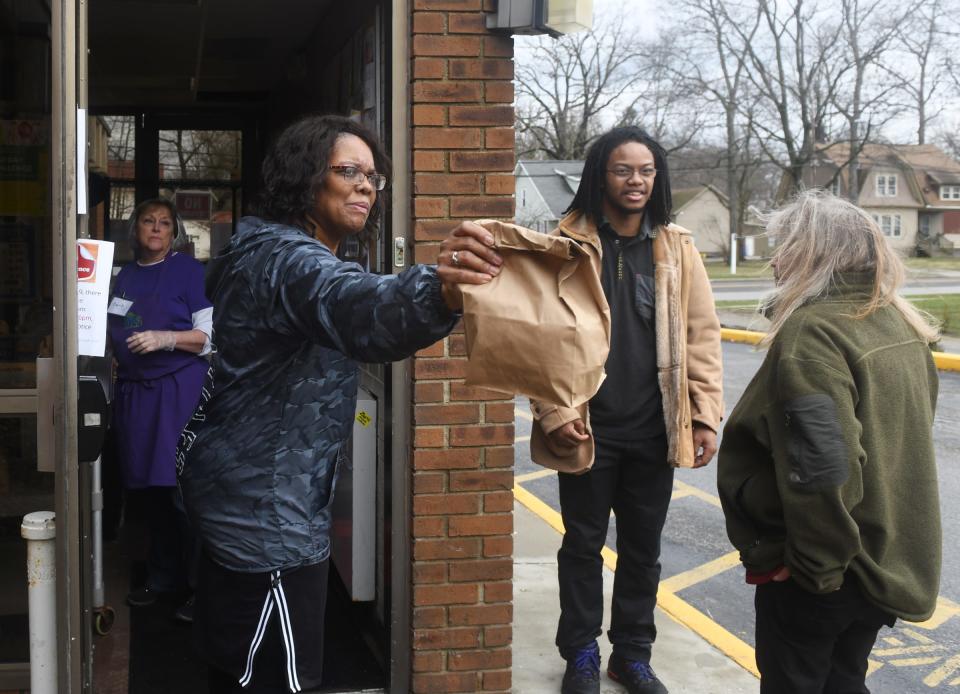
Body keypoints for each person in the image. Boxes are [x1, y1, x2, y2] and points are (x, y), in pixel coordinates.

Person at [176, 114, 502, 694]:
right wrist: (441, 287)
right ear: (305, 179)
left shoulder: (269, 251)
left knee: (236, 673)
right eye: (347, 171)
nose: (364, 186)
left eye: (373, 177)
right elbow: (355, 305)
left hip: (245, 504)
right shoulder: (285, 260)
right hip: (266, 523)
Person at [717, 190, 941, 694]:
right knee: (845, 680)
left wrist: (815, 573)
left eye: (785, 245)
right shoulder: (899, 321)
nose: (774, 260)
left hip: (825, 572)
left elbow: (822, 470)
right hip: (878, 563)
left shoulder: (813, 333)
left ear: (817, 253)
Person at [529, 126, 723, 694]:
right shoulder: (565, 246)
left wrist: (705, 414)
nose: (635, 181)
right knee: (582, 545)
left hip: (654, 429)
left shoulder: (678, 247)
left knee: (643, 550)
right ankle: (582, 654)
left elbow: (702, 336)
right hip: (587, 428)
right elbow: (539, 338)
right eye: (623, 170)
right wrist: (551, 412)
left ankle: (632, 655)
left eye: (645, 171)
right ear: (600, 175)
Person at [107, 197, 212, 619]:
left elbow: (208, 337)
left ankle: (198, 589)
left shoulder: (188, 271)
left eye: (164, 223)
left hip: (177, 393)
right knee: (147, 494)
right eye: (148, 221)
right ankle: (161, 577)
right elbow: (116, 327)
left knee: (180, 494)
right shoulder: (124, 277)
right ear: (135, 229)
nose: (155, 229)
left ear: (174, 233)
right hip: (135, 397)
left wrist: (166, 338)